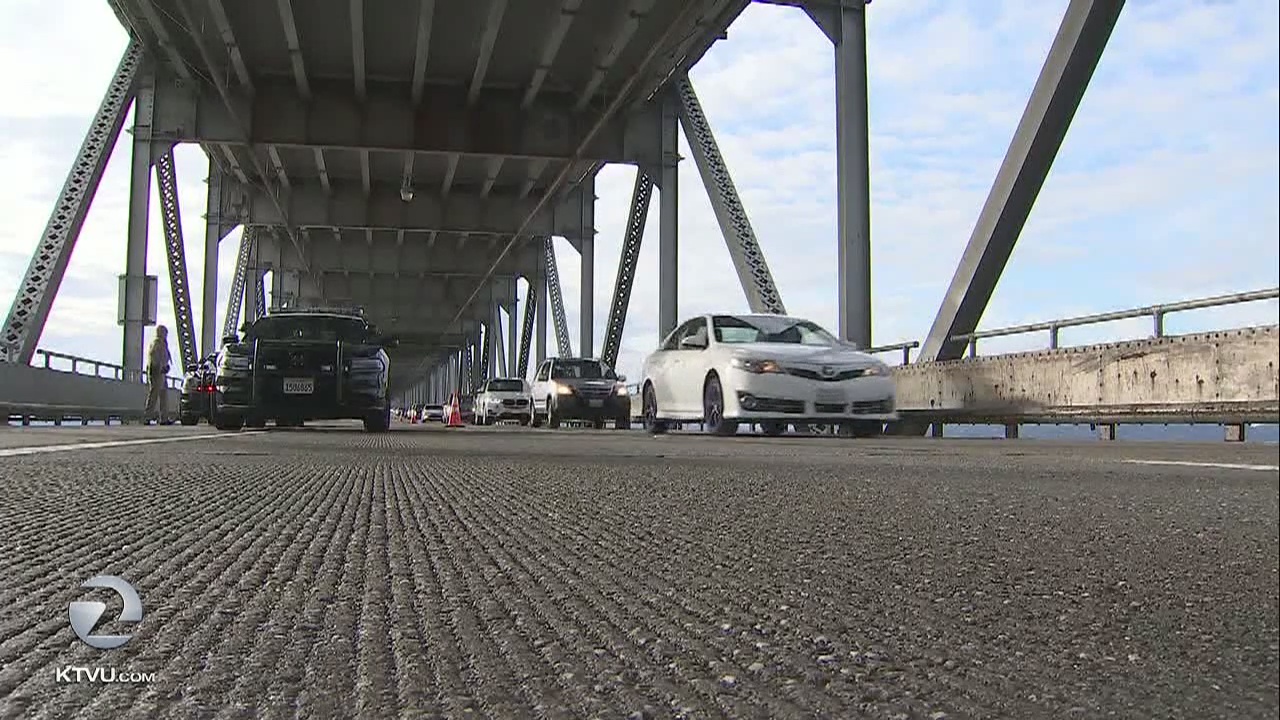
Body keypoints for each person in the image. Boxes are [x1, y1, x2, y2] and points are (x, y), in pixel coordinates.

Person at [145, 325, 173, 425]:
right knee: (154, 395)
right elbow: (154, 358)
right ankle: (147, 417)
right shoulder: (157, 343)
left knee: (163, 395)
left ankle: (163, 418)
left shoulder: (162, 343)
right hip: (157, 373)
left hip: (161, 372)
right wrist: (160, 368)